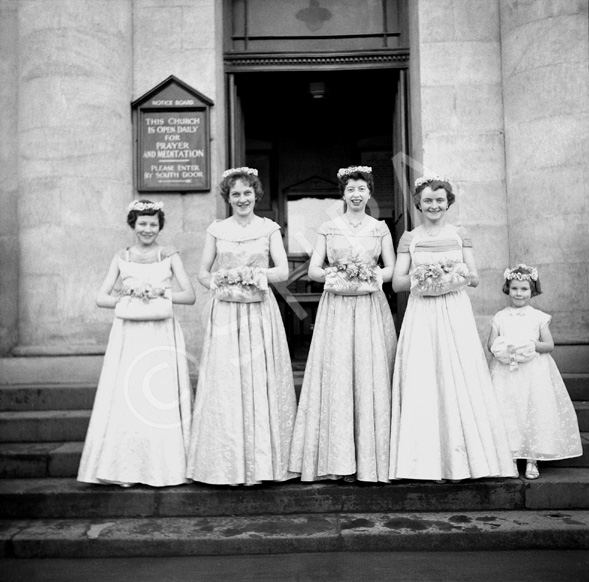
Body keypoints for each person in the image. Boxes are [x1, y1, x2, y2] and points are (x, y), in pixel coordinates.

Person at [389, 175, 516, 482]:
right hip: (422, 315)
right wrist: (424, 276)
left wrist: (449, 275)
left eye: (440, 200)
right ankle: (422, 462)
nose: (434, 206)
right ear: (418, 203)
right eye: (428, 201)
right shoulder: (410, 237)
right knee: (424, 376)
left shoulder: (460, 235)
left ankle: (463, 458)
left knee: (459, 376)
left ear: (448, 203)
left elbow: (473, 276)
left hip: (454, 312)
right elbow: (396, 282)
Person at [186, 167, 297, 485]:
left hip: (259, 313)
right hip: (225, 313)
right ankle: (225, 464)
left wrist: (252, 276)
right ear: (228, 197)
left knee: (259, 380)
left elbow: (283, 272)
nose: (242, 198)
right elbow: (203, 273)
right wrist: (222, 280)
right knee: (227, 382)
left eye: (248, 192)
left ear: (256, 194)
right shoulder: (217, 229)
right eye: (236, 193)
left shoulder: (269, 228)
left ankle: (264, 464)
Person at [288, 165, 397, 483]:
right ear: (343, 193)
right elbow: (313, 271)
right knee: (337, 374)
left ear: (369, 192)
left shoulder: (379, 229)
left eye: (362, 188)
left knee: (368, 372)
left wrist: (368, 274)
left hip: (368, 307)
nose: (356, 194)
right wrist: (340, 274)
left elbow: (391, 268)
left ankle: (370, 460)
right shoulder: (328, 227)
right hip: (336, 309)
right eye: (351, 189)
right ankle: (336, 460)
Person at [78, 200, 195, 487]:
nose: (148, 229)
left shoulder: (169, 256)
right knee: (127, 396)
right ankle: (125, 470)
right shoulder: (121, 257)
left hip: (160, 333)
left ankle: (166, 468)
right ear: (133, 224)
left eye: (153, 224)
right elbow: (101, 297)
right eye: (142, 223)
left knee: (159, 394)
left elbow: (189, 295)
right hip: (129, 335)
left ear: (160, 226)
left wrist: (157, 293)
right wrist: (129, 296)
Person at [487, 264, 582, 479]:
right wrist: (505, 348)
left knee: (534, 409)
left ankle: (532, 458)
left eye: (524, 289)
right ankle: (509, 457)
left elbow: (548, 345)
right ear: (507, 289)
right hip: (506, 372)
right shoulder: (500, 316)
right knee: (508, 411)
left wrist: (530, 345)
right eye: (514, 289)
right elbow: (491, 345)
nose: (519, 294)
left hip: (534, 371)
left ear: (533, 291)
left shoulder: (538, 317)